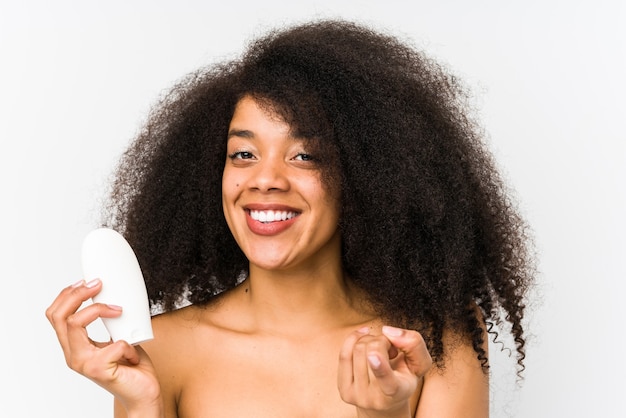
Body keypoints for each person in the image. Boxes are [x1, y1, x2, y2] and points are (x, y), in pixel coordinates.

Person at [46, 19, 534, 417]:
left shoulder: (434, 339)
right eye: (242, 154)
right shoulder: (164, 351)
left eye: (304, 156)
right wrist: (142, 405)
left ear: (366, 176)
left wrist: (384, 414)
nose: (266, 179)